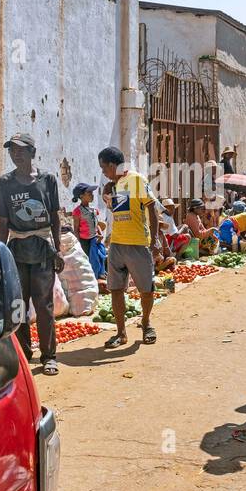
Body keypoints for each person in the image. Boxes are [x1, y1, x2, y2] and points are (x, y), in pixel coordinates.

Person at [0, 133, 64, 375]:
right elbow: (3, 221)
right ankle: (24, 352)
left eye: (21, 150)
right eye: (12, 151)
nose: (16, 155)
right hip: (17, 251)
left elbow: (55, 217)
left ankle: (49, 356)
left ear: (33, 153)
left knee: (43, 305)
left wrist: (58, 249)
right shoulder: (5, 183)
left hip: (43, 248)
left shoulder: (48, 180)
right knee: (17, 305)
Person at [98, 145, 161, 348]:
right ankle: (121, 333)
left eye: (103, 168)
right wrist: (106, 195)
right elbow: (116, 211)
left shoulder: (136, 180)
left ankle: (146, 322)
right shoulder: (112, 186)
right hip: (117, 243)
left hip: (138, 244)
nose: (102, 172)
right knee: (116, 289)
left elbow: (152, 208)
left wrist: (156, 239)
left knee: (146, 290)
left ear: (112, 165)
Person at [71, 183, 100, 260]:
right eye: (89, 192)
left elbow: (97, 224)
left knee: (97, 260)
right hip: (84, 243)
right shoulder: (77, 211)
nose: (92, 194)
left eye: (92, 192)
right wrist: (78, 245)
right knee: (88, 261)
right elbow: (76, 229)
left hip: (95, 239)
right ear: (81, 196)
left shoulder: (94, 210)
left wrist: (100, 234)